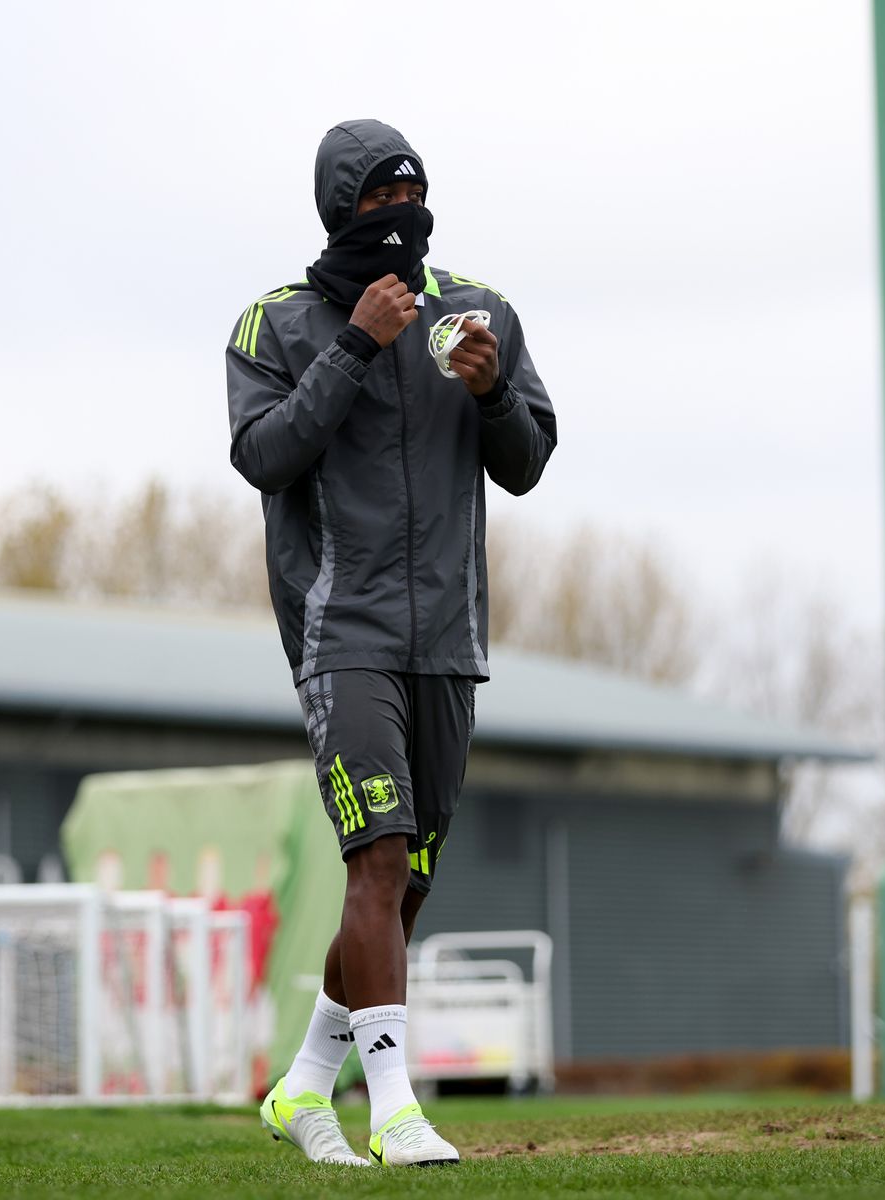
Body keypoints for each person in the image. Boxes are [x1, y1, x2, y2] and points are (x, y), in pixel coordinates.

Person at [225, 118, 557, 1167]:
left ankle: (303, 1090)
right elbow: (263, 456)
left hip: (449, 642)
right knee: (373, 864)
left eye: (412, 196)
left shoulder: (480, 310)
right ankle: (398, 1111)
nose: (399, 217)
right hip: (343, 633)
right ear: (339, 209)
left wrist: (492, 388)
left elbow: (529, 460)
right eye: (378, 201)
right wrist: (358, 341)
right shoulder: (272, 326)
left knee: (405, 884)